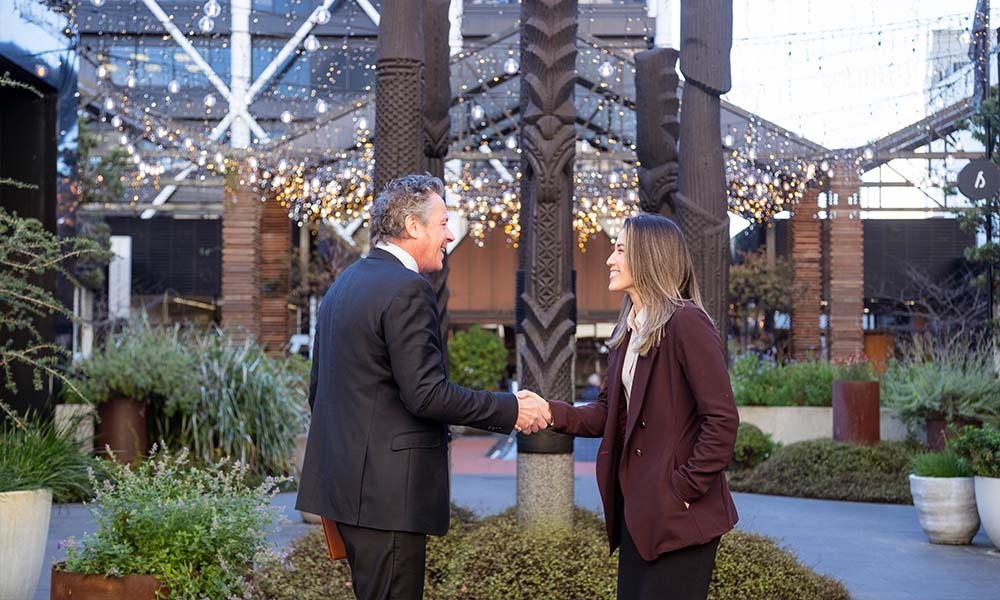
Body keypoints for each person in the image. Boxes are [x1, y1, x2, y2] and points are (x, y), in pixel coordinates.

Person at [296, 174, 551, 600]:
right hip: (388, 497)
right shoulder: (407, 288)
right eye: (443, 222)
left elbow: (317, 391)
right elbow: (426, 394)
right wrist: (511, 409)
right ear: (414, 227)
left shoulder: (343, 285)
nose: (450, 235)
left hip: (347, 494)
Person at [520, 214, 739, 600]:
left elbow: (721, 421)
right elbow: (609, 413)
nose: (610, 259)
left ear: (649, 256)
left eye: (620, 249)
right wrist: (551, 411)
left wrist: (683, 490)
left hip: (679, 518)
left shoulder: (687, 323)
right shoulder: (629, 333)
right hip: (639, 515)